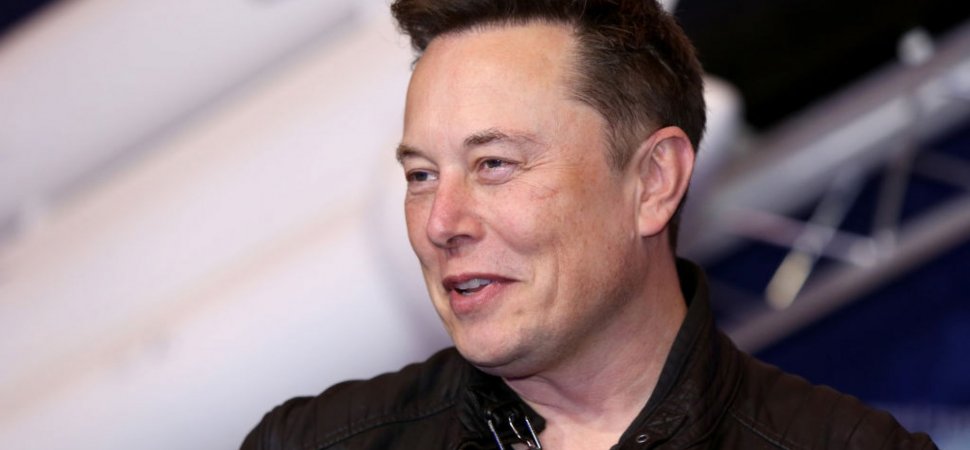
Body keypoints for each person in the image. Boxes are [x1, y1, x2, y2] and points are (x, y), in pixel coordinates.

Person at [242, 1, 937, 448]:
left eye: (494, 164)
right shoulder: (316, 442)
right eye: (421, 175)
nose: (441, 223)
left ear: (653, 181)